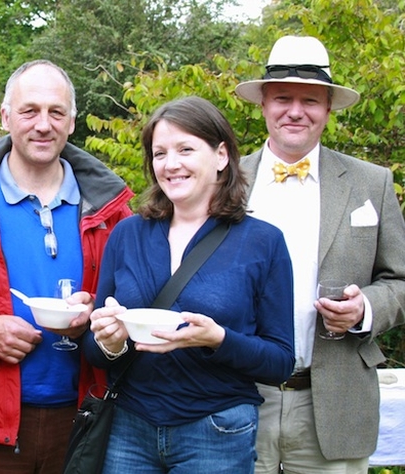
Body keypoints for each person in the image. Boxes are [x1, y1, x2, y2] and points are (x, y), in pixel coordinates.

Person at [0, 59, 134, 474]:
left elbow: (136, 294)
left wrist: (94, 312)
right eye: (30, 111)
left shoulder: (113, 213)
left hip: (85, 416)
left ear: (72, 122)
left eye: (56, 112)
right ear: (5, 117)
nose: (44, 124)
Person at [83, 96, 295, 473]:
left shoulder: (263, 242)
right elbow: (95, 349)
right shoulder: (127, 234)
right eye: (159, 153)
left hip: (216, 430)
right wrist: (108, 341)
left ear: (221, 156)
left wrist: (218, 339)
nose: (171, 164)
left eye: (185, 149)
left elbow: (279, 363)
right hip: (129, 427)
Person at [234, 35, 405, 473]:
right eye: (283, 98)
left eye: (310, 99)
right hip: (237, 399)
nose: (296, 110)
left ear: (328, 108)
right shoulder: (226, 182)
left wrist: (365, 308)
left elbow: (400, 281)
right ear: (264, 105)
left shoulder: (372, 183)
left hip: (335, 402)